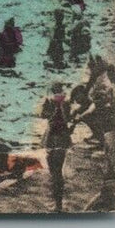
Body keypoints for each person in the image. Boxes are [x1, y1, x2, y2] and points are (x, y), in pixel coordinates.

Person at [39, 82, 73, 211]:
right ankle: (58, 202)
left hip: (54, 138)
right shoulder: (61, 103)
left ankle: (58, 203)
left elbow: (43, 115)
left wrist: (56, 105)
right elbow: (44, 115)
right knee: (56, 172)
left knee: (55, 172)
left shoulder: (55, 102)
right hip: (59, 138)